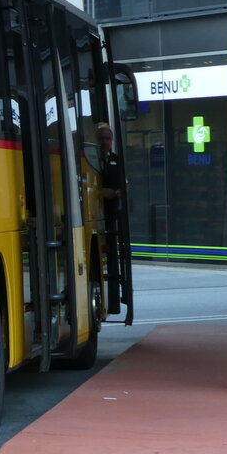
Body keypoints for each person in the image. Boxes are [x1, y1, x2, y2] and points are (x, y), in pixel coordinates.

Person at [96, 122, 124, 315]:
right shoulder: (90, 159)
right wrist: (99, 192)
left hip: (112, 213)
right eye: (102, 138)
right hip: (95, 212)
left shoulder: (116, 160)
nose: (105, 142)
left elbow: (123, 183)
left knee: (113, 252)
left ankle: (115, 297)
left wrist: (119, 192)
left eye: (108, 138)